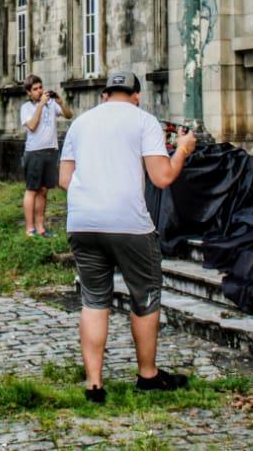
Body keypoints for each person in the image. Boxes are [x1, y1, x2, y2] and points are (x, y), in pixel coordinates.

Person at [59, 69, 193, 403]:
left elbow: (64, 179)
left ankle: (94, 385)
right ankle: (147, 374)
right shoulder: (143, 120)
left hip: (83, 221)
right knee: (145, 296)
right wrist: (183, 150)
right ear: (136, 96)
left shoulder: (80, 123)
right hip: (129, 223)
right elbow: (162, 177)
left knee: (93, 300)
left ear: (104, 95)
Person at [19, 75, 72, 237]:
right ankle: (30, 229)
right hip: (34, 152)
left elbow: (69, 115)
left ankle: (41, 228)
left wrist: (61, 102)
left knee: (43, 191)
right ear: (29, 92)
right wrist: (41, 105)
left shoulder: (51, 105)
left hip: (51, 150)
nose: (39, 91)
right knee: (31, 190)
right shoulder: (26, 107)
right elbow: (33, 126)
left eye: (40, 87)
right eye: (35, 89)